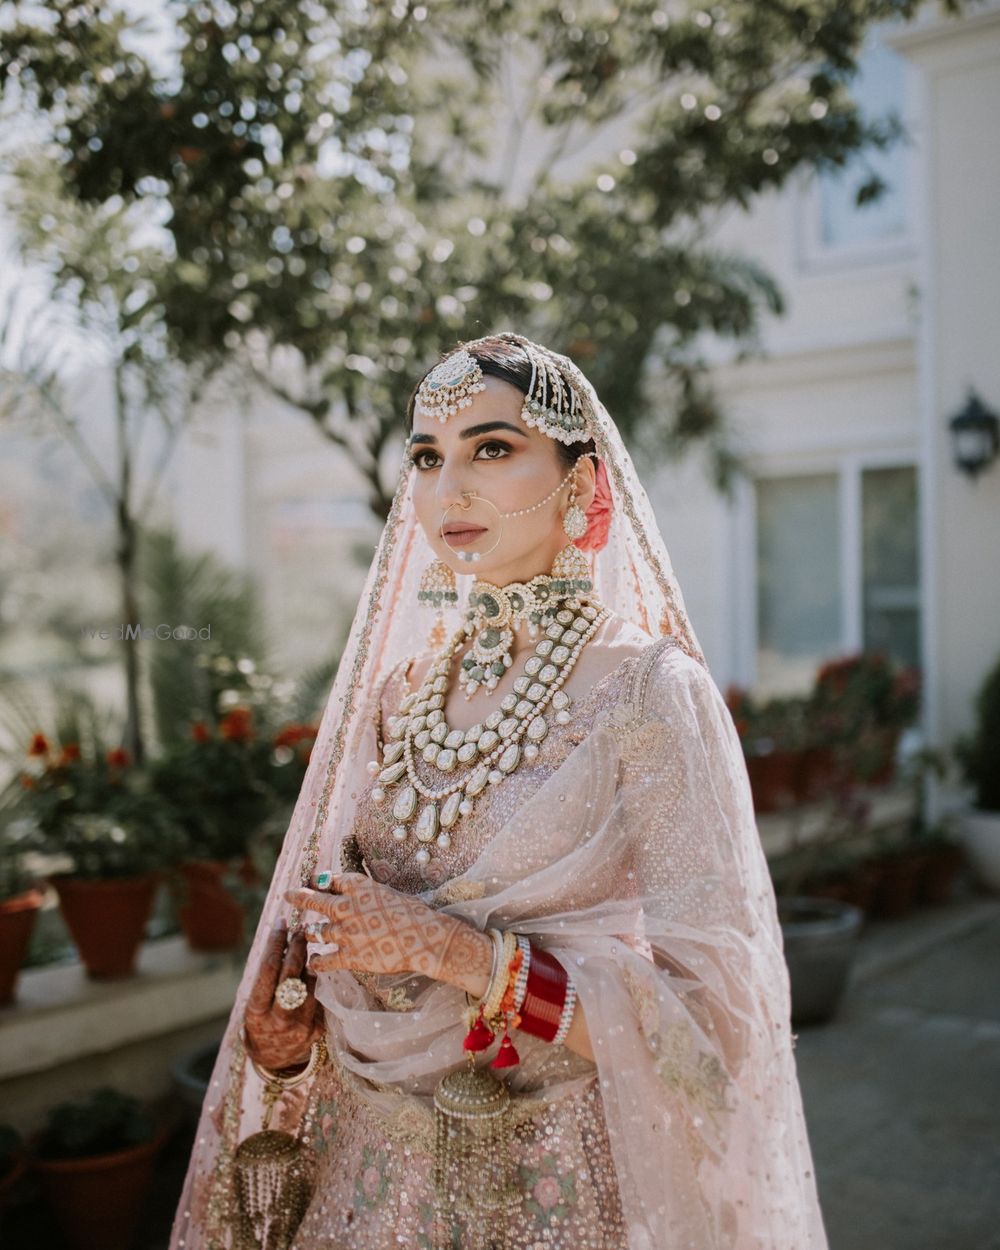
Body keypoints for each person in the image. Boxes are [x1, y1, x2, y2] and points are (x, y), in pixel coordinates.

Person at [171, 332, 829, 1250]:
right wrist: (296, 1031)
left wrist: (466, 958)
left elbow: (716, 1029)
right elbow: (348, 935)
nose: (449, 491)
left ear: (584, 483)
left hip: (550, 1185)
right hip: (365, 1184)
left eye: (492, 448)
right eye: (427, 459)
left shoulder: (646, 693)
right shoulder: (403, 692)